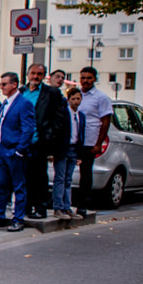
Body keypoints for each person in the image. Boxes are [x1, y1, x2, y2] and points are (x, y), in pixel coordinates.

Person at [0, 72, 36, 232]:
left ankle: (18, 218)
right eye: (1, 84)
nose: (2, 87)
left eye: (4, 84)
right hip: (2, 149)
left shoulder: (24, 103)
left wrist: (20, 149)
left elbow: (28, 128)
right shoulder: (5, 103)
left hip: (14, 151)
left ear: (14, 85)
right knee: (1, 185)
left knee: (18, 185)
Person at [21, 63, 69, 220]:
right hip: (23, 141)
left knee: (40, 177)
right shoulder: (22, 92)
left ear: (44, 76)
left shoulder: (51, 93)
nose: (35, 77)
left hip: (40, 141)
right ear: (28, 74)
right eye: (33, 73)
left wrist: (50, 138)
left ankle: (41, 208)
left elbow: (59, 118)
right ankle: (26, 207)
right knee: (24, 177)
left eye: (39, 74)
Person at [75, 66, 112, 217]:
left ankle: (83, 204)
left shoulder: (100, 97)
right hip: (75, 140)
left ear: (95, 79)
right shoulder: (76, 95)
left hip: (89, 141)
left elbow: (105, 121)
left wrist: (98, 143)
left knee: (85, 173)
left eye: (89, 78)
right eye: (83, 78)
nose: (85, 81)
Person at [53, 87, 85, 219]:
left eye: (78, 99)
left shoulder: (81, 116)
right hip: (63, 148)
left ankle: (67, 207)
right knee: (60, 178)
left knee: (68, 179)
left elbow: (81, 134)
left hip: (73, 149)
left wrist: (79, 153)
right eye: (73, 99)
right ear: (68, 99)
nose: (76, 101)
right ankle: (58, 207)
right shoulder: (64, 113)